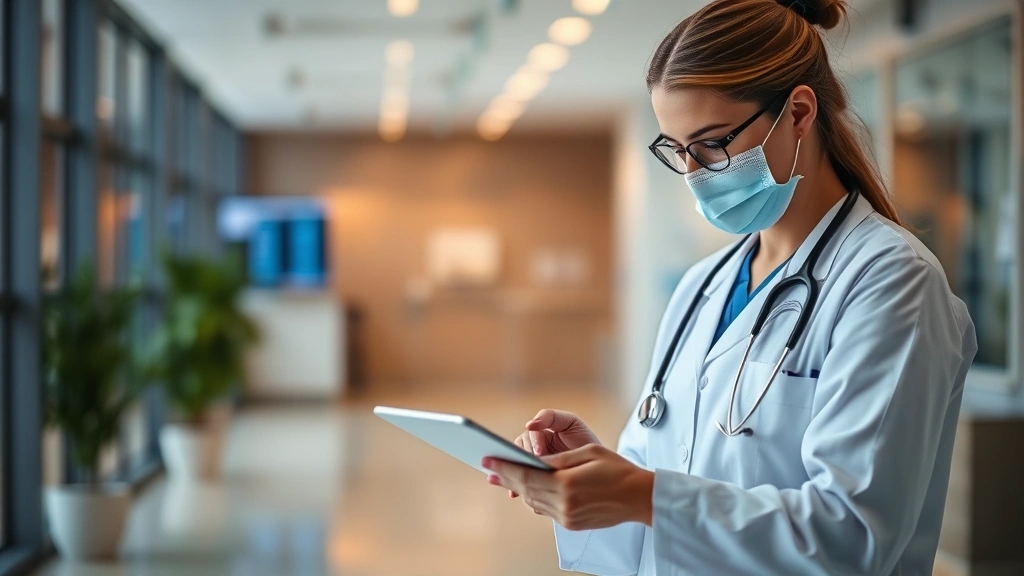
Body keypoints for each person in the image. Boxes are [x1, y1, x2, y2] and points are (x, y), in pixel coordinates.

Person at [480, 0, 978, 574]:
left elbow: (852, 540)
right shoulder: (703, 286)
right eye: (676, 150)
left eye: (712, 143)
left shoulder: (891, 283)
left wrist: (645, 495)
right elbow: (667, 489)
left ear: (797, 113)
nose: (693, 173)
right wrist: (597, 479)